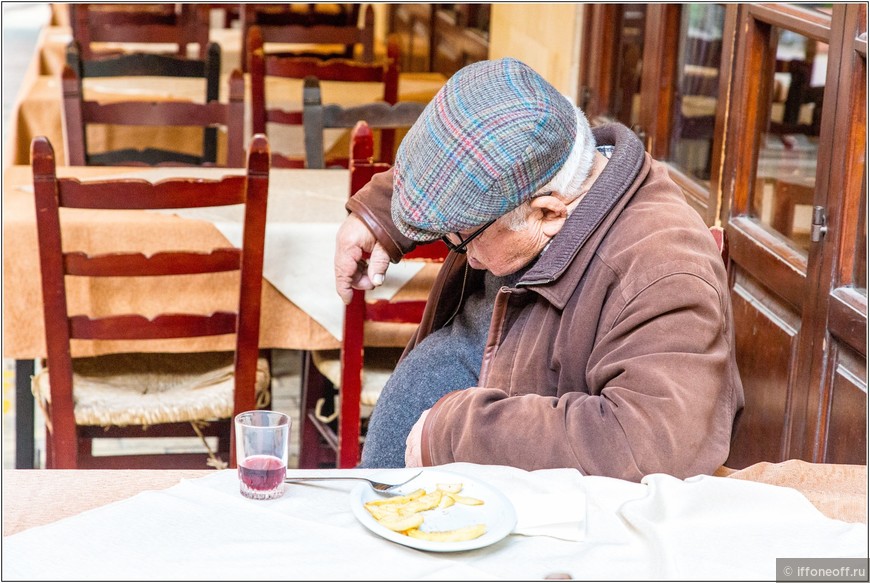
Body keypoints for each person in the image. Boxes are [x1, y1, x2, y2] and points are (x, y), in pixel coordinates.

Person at [333, 57, 744, 482]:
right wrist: (380, 217)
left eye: (461, 237)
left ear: (548, 212)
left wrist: (456, 435)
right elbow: (476, 149)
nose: (461, 253)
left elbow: (647, 445)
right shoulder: (561, 170)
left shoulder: (664, 272)